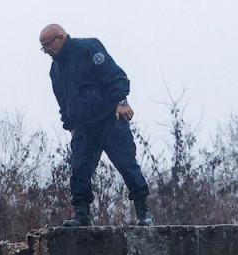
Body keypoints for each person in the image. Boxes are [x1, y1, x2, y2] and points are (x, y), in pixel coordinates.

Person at [40, 24, 153, 227]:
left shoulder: (88, 48)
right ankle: (81, 214)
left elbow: (114, 75)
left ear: (60, 38)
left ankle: (143, 210)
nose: (46, 51)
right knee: (79, 169)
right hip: (83, 127)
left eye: (47, 45)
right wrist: (70, 125)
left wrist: (122, 101)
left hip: (109, 119)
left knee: (126, 164)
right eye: (43, 47)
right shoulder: (55, 70)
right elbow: (63, 100)